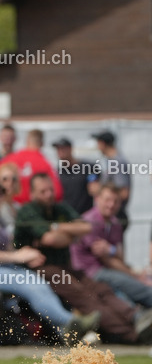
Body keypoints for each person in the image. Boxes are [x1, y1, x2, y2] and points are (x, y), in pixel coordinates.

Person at [0, 176, 100, 343]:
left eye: (1, 193)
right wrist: (17, 256)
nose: (0, 197)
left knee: (40, 284)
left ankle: (67, 333)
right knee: (31, 286)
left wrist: (26, 255)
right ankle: (71, 322)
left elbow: (9, 249)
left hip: (7, 267)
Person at [14, 172, 141, 344]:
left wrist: (57, 228)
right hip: (42, 268)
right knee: (84, 296)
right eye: (43, 191)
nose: (49, 194)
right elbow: (50, 239)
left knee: (101, 289)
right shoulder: (27, 212)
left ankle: (136, 319)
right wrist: (70, 235)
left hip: (66, 265)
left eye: (51, 190)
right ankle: (130, 334)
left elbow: (85, 227)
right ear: (32, 193)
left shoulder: (60, 207)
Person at [72, 185, 152, 314]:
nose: (111, 205)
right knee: (139, 287)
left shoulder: (115, 223)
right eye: (107, 200)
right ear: (97, 199)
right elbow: (108, 260)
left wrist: (112, 250)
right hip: (91, 271)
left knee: (130, 284)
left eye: (115, 201)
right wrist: (135, 275)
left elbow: (119, 256)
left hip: (107, 269)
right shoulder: (90, 221)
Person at [0, 129, 63, 205]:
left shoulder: (7, 160)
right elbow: (57, 193)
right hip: (34, 209)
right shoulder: (45, 163)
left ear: (26, 141)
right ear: (42, 144)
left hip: (8, 205)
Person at [89, 131, 130, 223]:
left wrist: (100, 191)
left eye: (98, 143)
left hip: (115, 215)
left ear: (102, 144)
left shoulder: (117, 162)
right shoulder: (112, 161)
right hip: (111, 214)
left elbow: (124, 192)